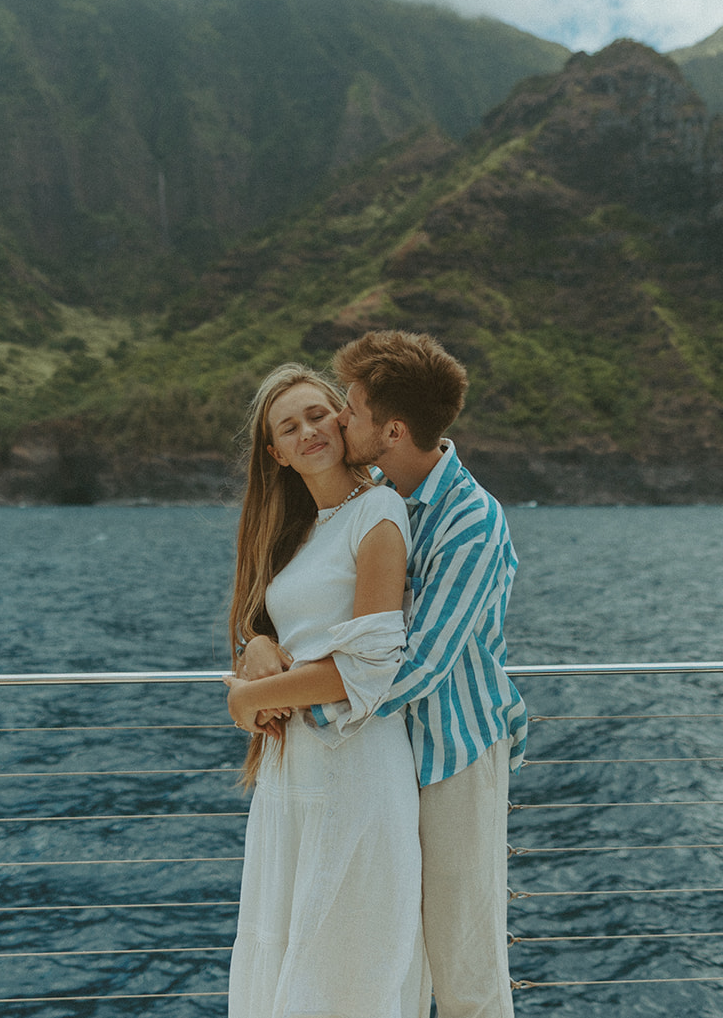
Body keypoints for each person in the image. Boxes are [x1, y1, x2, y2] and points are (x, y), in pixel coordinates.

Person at [241, 331, 527, 1018]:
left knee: (465, 969)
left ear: (390, 430)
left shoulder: (469, 519)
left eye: (352, 409)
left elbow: (410, 668)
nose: (339, 420)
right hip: (390, 752)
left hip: (453, 752)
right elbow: (309, 601)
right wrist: (258, 643)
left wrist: (274, 699)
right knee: (394, 957)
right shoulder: (384, 498)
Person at [223, 363, 427, 1018]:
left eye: (319, 414)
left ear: (343, 418)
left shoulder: (378, 511)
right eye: (290, 426)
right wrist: (253, 643)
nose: (310, 430)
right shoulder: (302, 531)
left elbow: (369, 664)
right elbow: (291, 628)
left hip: (355, 766)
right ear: (275, 453)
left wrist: (248, 698)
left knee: (343, 970)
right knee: (287, 960)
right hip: (293, 778)